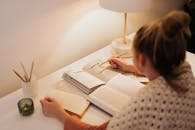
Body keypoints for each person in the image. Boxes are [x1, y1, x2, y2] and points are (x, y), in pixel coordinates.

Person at [40, 10, 195, 130]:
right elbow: (164, 68)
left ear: (141, 59)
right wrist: (130, 68)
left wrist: (59, 113)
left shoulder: (147, 101)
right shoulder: (185, 72)